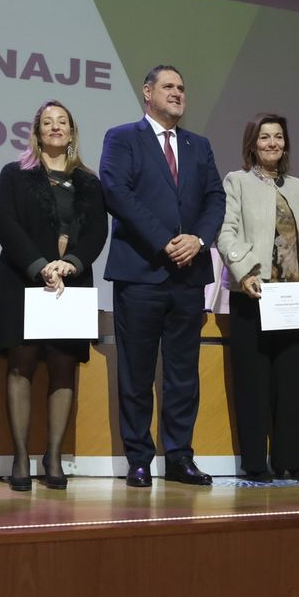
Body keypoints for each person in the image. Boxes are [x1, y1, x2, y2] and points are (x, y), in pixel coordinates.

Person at [100, 65, 226, 487]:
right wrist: (164, 241)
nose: (177, 93)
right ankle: (138, 459)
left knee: (183, 375)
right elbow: (117, 192)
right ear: (147, 92)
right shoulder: (122, 138)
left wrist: (199, 240)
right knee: (136, 373)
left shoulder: (199, 145)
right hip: (140, 273)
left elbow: (215, 199)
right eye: (168, 86)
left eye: (182, 87)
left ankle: (179, 457)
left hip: (189, 276)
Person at [0, 100, 108, 490]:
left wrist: (70, 264)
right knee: (20, 365)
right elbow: (5, 224)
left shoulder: (90, 181)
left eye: (62, 122)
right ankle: (21, 456)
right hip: (23, 280)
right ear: (37, 132)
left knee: (63, 366)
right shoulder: (15, 174)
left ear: (72, 132)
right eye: (47, 122)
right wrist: (40, 265)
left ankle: (54, 456)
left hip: (71, 284)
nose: (55, 127)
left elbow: (97, 232)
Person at [217, 114, 299, 482]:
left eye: (278, 137)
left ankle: (290, 461)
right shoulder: (237, 181)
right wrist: (245, 271)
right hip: (253, 292)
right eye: (265, 137)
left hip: (291, 296)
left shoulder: (297, 186)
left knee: (290, 381)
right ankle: (255, 463)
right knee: (254, 382)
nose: (272, 143)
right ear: (252, 144)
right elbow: (226, 232)